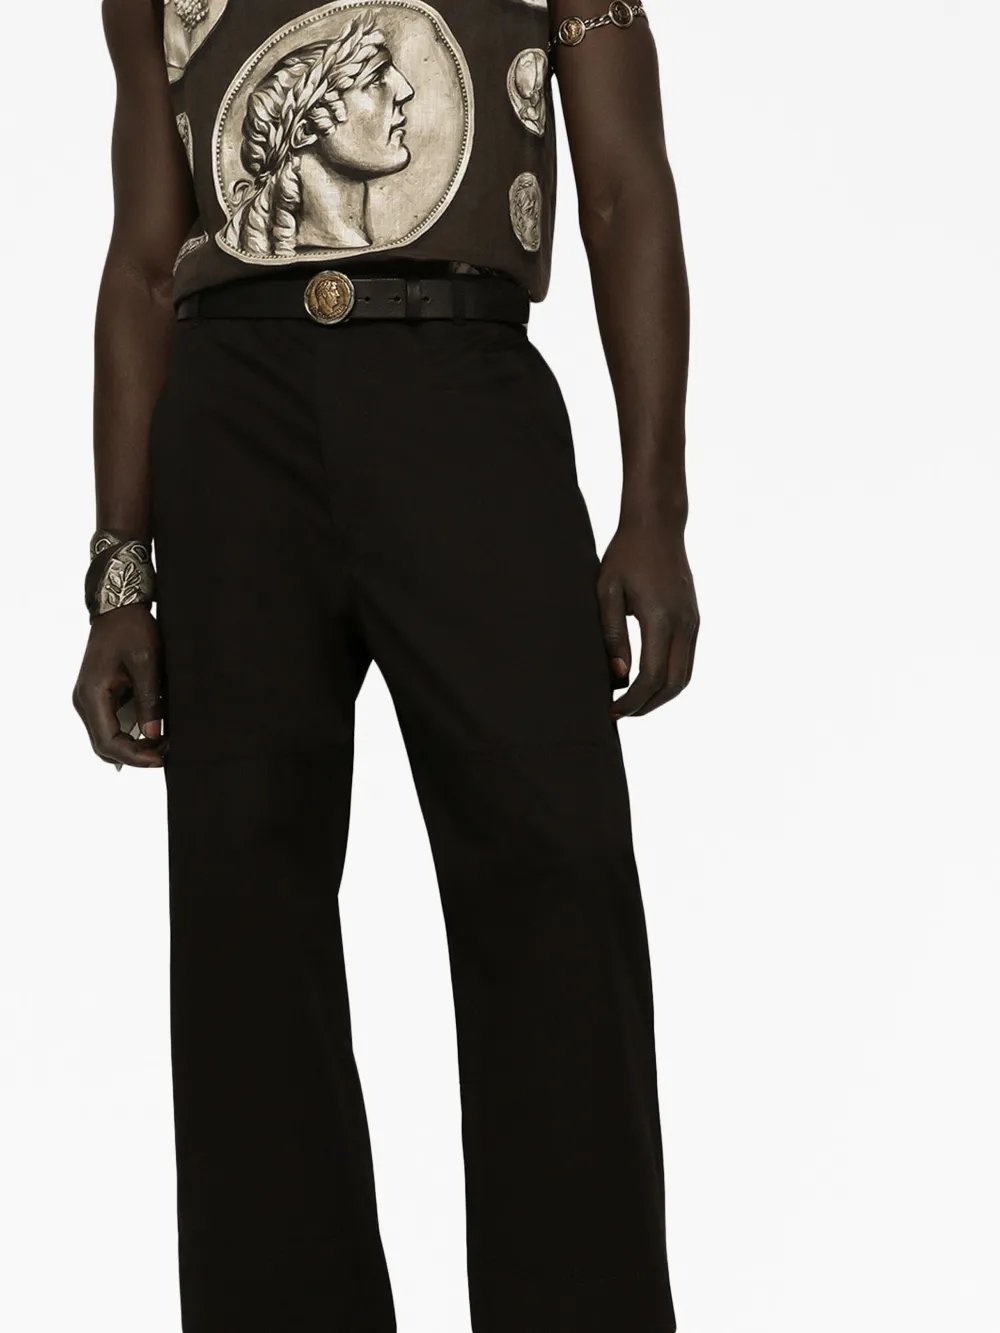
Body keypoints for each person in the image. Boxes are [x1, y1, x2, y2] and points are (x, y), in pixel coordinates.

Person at [73, 2, 698, 1331]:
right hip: (231, 419)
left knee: (557, 865)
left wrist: (655, 504)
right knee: (244, 906)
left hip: (464, 385)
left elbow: (625, 189)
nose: (402, 104)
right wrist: (121, 569)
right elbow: (140, 262)